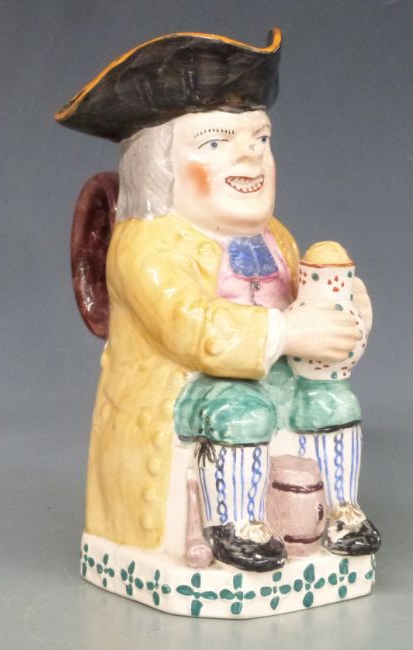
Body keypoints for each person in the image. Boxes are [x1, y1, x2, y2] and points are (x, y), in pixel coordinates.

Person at [56, 29, 379, 572]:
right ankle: (234, 522)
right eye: (215, 143)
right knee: (241, 410)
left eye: (260, 138)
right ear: (158, 166)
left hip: (269, 376)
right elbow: (194, 327)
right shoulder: (146, 244)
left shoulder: (275, 237)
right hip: (181, 391)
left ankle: (338, 511)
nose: (250, 156)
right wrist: (288, 332)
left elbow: (303, 312)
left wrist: (346, 316)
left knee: (333, 402)